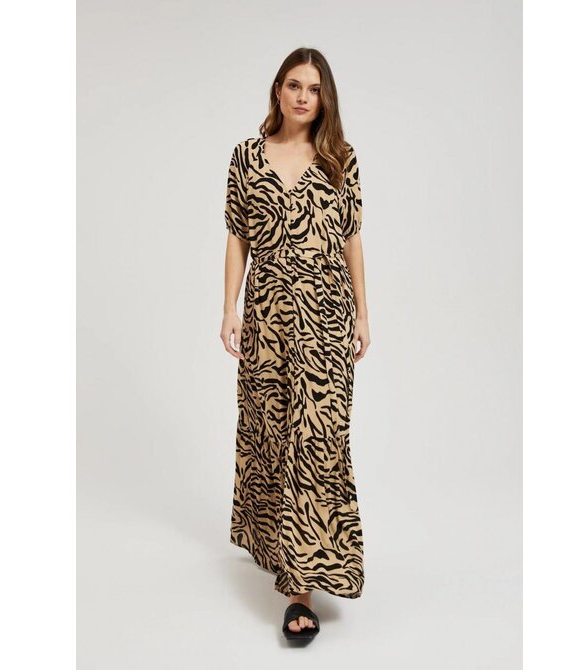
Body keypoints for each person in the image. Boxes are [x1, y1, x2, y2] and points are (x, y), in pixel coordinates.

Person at [220, 47, 371, 641]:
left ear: (324, 97)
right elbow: (237, 235)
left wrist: (363, 313)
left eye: (313, 88)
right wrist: (229, 309)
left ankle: (300, 588)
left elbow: (353, 237)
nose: (303, 97)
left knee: (318, 441)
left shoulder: (340, 159)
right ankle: (280, 552)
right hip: (266, 320)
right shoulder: (246, 157)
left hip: (326, 319)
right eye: (293, 85)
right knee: (272, 434)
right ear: (278, 91)